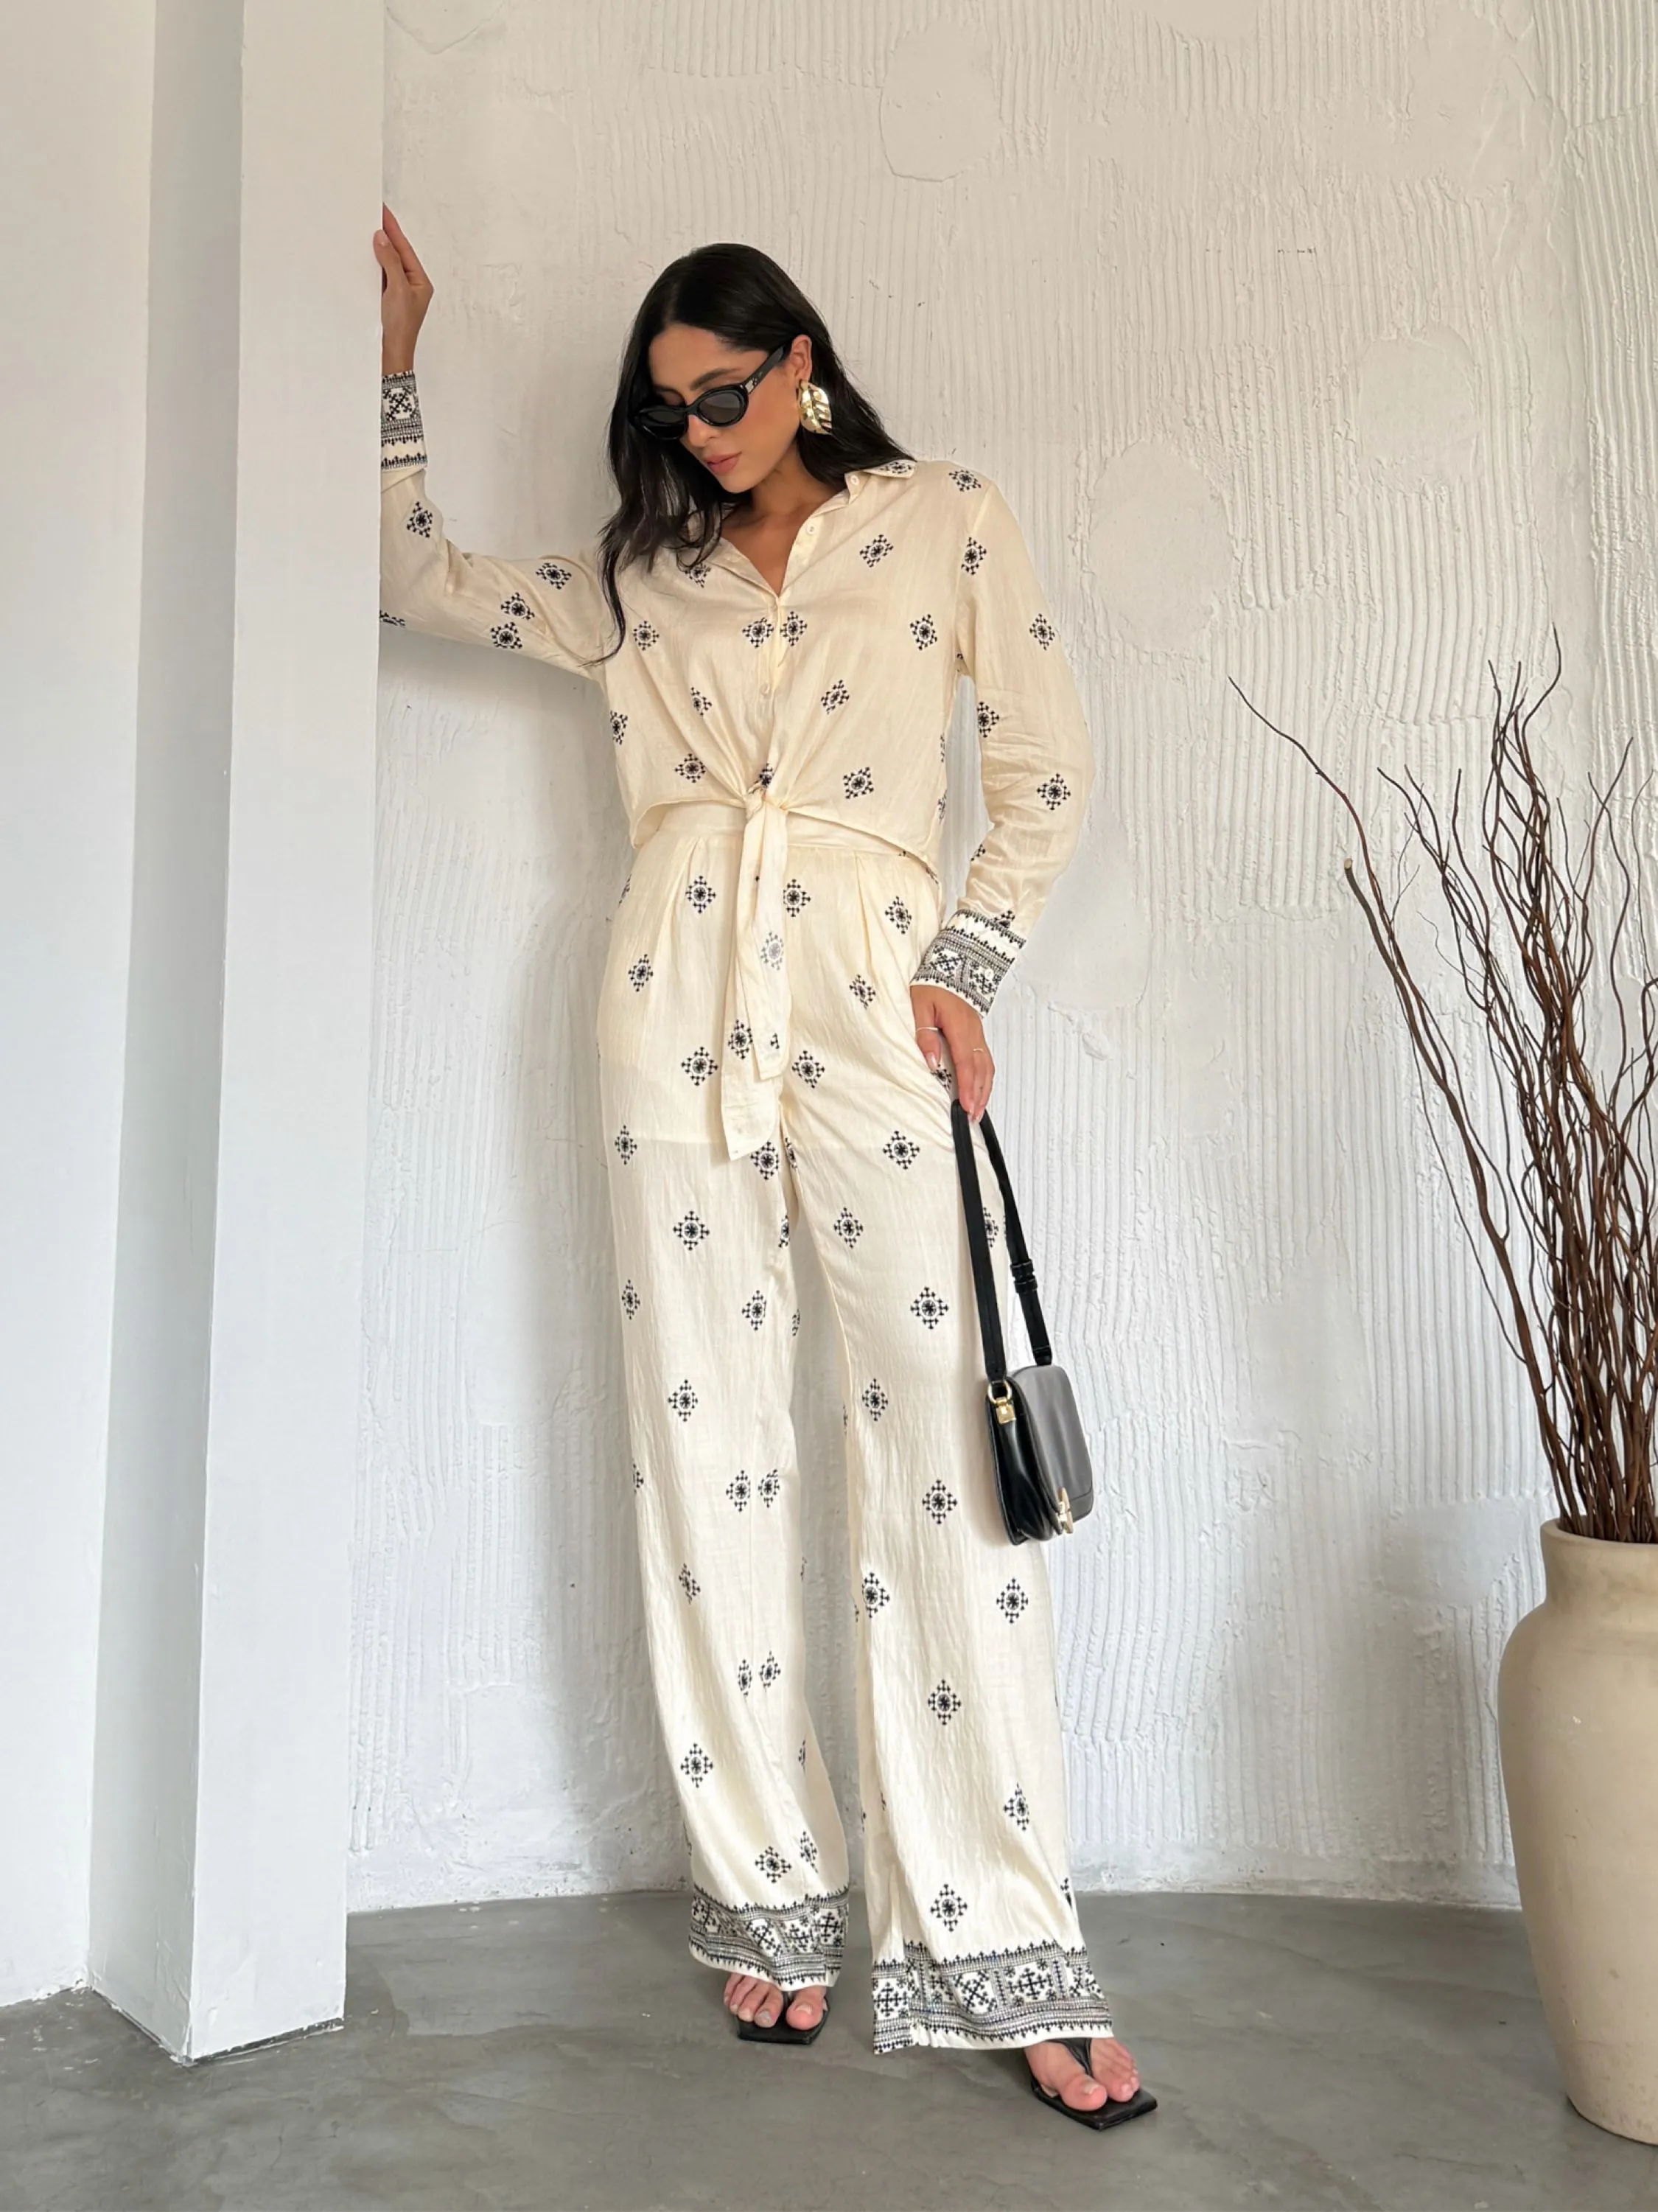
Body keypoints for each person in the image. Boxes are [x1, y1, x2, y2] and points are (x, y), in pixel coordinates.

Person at [374, 206, 1146, 2125]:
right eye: (672, 413)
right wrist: (394, 361)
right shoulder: (644, 577)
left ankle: (1003, 1942)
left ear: (801, 361)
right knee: (702, 1436)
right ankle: (773, 1895)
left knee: (942, 1441)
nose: (703, 434)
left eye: (725, 394)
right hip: (669, 1003)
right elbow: (411, 579)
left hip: (876, 1004)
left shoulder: (947, 519)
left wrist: (969, 965)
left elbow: (1046, 764)